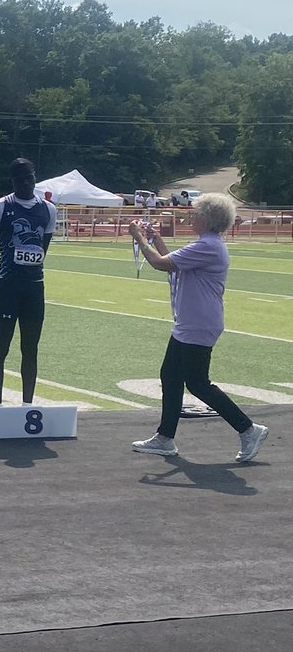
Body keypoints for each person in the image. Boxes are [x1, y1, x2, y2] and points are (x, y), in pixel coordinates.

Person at [129, 194, 268, 462]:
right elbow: (173, 261)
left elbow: (160, 263)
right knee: (170, 375)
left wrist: (139, 238)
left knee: (197, 383)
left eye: (195, 214)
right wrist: (156, 239)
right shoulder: (207, 245)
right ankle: (165, 438)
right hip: (191, 321)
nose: (192, 218)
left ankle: (248, 429)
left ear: (206, 218)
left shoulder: (209, 246)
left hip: (199, 323)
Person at [0, 158, 57, 405]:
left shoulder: (48, 209)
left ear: (35, 177)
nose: (26, 183)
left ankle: (27, 405)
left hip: (34, 287)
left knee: (30, 349)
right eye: (20, 179)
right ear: (12, 181)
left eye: (30, 178)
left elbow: (42, 250)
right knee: (1, 347)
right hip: (8, 287)